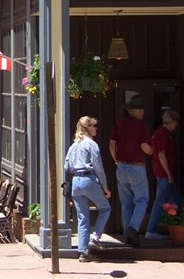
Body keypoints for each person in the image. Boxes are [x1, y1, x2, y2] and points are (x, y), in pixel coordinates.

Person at [65, 116, 111, 262]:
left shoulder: (73, 146)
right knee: (105, 208)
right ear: (87, 128)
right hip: (88, 179)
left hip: (76, 181)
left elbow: (67, 166)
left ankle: (83, 252)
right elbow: (98, 167)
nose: (96, 128)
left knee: (82, 217)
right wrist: (105, 187)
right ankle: (95, 238)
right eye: (94, 126)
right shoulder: (91, 144)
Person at [109, 95, 153, 247]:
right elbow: (144, 147)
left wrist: (116, 160)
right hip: (137, 167)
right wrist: (152, 151)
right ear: (139, 111)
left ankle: (128, 236)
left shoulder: (120, 124)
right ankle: (133, 228)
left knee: (126, 203)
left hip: (121, 167)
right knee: (141, 200)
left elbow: (112, 144)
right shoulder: (142, 126)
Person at [145, 110, 181, 240]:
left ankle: (179, 227)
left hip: (164, 173)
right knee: (160, 200)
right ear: (172, 122)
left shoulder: (160, 133)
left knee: (175, 200)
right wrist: (169, 174)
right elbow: (161, 155)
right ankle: (151, 229)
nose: (176, 126)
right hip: (164, 174)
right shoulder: (163, 134)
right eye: (175, 123)